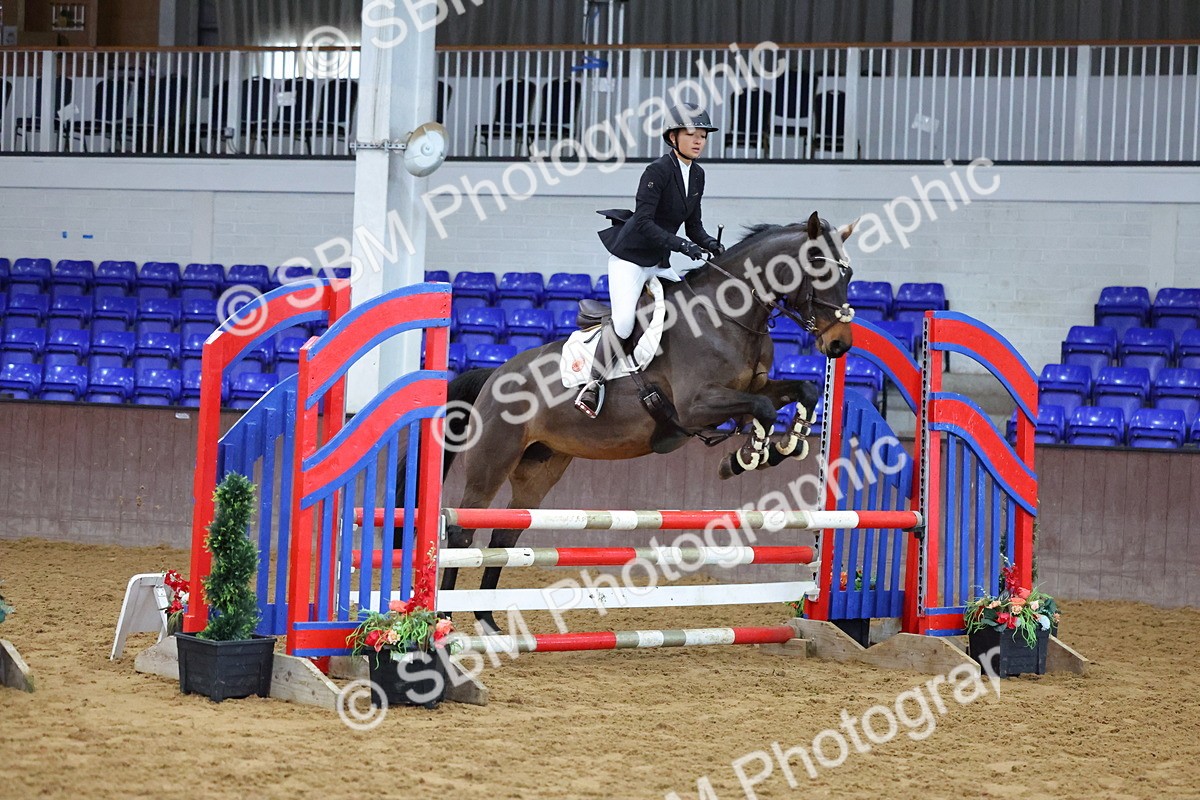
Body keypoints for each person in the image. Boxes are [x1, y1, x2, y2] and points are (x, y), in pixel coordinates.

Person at [576, 102, 725, 418]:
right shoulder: (656, 171)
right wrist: (684, 247)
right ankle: (593, 384)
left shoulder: (697, 175)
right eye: (692, 134)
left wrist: (710, 243)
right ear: (673, 137)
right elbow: (643, 221)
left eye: (703, 136)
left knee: (690, 305)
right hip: (630, 259)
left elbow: (693, 225)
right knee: (625, 322)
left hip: (658, 260)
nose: (699, 140)